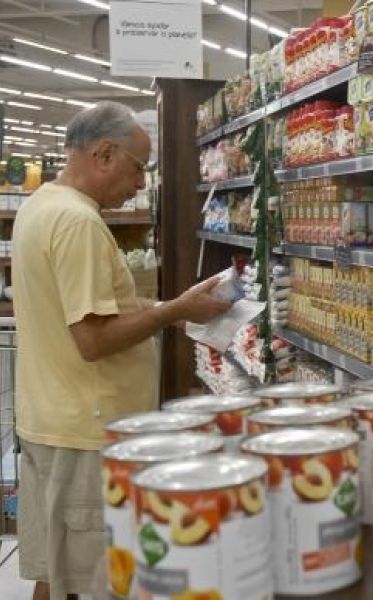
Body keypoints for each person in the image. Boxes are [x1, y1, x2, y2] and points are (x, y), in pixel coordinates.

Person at [11, 101, 231, 600]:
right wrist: (172, 312)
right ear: (104, 154)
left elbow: (92, 310)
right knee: (95, 579)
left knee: (58, 573)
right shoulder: (78, 223)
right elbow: (93, 339)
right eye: (138, 168)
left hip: (52, 420)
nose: (139, 184)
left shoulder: (41, 205)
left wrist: (171, 306)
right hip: (86, 431)